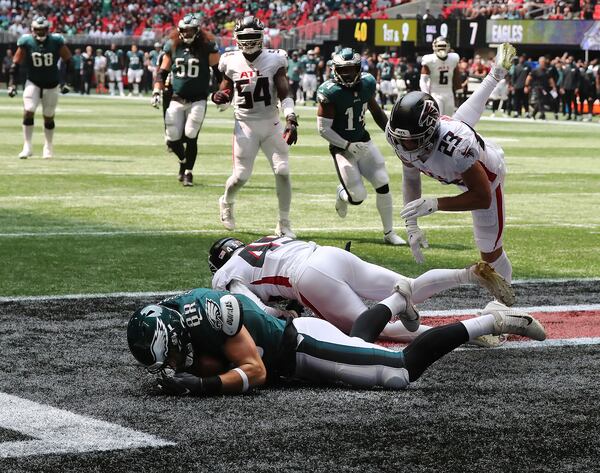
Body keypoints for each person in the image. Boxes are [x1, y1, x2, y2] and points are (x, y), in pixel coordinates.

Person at [126, 288, 546, 396]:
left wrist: (202, 384)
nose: (179, 360)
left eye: (179, 350)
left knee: (398, 372)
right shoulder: (172, 319)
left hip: (299, 345)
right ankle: (397, 298)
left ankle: (492, 319)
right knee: (357, 342)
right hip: (296, 347)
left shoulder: (209, 312)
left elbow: (254, 370)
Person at [208, 235, 515, 343]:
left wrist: (283, 314)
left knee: (378, 328)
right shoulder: (265, 240)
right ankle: (468, 274)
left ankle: (473, 333)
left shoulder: (225, 273)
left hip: (307, 277)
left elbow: (255, 307)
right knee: (407, 286)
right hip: (328, 255)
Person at [385, 43, 517, 284]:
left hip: (488, 174)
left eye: (410, 141)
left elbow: (482, 196)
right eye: (399, 139)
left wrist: (437, 203)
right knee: (460, 121)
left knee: (490, 252)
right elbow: (410, 177)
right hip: (450, 141)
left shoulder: (458, 148)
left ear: (426, 134)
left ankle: (505, 302)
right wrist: (411, 225)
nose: (403, 146)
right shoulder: (402, 137)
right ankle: (496, 72)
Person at [212, 16, 298, 237]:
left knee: (283, 171)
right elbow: (226, 89)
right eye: (244, 37)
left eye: (252, 37)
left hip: (272, 122)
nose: (249, 42)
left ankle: (284, 222)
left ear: (261, 37)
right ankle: (226, 201)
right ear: (237, 38)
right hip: (245, 124)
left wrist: (291, 118)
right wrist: (220, 96)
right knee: (240, 176)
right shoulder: (230, 60)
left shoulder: (275, 59)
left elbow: (284, 93)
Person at [317, 47, 405, 246]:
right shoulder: (330, 91)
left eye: (351, 69)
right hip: (342, 148)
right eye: (343, 69)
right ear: (335, 70)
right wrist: (347, 144)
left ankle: (389, 232)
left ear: (358, 68)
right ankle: (342, 193)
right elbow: (323, 129)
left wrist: (391, 134)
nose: (347, 74)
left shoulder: (367, 83)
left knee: (382, 181)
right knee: (357, 197)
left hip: (364, 142)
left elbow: (375, 111)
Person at [152, 14, 220, 186]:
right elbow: (162, 72)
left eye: (191, 30)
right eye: (184, 30)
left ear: (197, 31)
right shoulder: (173, 46)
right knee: (172, 137)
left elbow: (219, 73)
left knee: (191, 134)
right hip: (177, 97)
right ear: (179, 31)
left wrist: (225, 94)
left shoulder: (207, 47)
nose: (188, 33)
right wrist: (156, 90)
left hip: (198, 98)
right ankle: (183, 161)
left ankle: (189, 172)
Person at [8, 16, 73, 159]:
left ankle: (48, 146)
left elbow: (68, 60)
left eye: (42, 30)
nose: (40, 33)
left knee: (48, 116)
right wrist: (12, 84)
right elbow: (15, 64)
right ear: (33, 29)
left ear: (47, 30)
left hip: (52, 83)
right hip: (33, 82)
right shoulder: (26, 41)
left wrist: (66, 82)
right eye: (37, 30)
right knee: (28, 110)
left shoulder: (56, 41)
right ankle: (27, 146)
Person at [420, 36, 460, 115]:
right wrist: (426, 94)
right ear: (434, 47)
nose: (441, 49)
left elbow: (456, 75)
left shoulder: (453, 59)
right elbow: (423, 80)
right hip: (435, 93)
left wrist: (459, 88)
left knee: (449, 119)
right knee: (437, 117)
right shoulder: (430, 60)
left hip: (449, 93)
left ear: (448, 47)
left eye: (443, 46)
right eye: (439, 46)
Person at [525, 56, 558, 121]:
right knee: (540, 101)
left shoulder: (547, 71)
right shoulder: (535, 70)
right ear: (539, 62)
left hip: (545, 89)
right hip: (536, 88)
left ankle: (533, 115)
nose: (543, 63)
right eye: (542, 62)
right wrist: (526, 86)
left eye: (544, 62)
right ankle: (543, 115)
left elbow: (550, 80)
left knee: (541, 102)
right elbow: (528, 78)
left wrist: (554, 87)